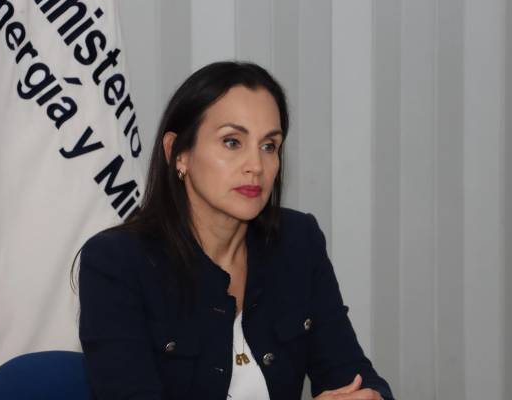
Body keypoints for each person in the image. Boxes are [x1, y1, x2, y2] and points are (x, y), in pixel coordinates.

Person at [77, 61, 394, 400]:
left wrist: (371, 397)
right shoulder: (116, 263)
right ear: (178, 154)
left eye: (269, 146)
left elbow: (354, 376)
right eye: (232, 142)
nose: (256, 166)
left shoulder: (298, 242)